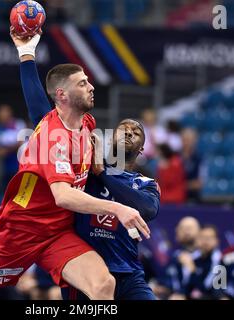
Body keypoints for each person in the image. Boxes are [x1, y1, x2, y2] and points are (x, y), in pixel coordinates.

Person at [0, 31, 150, 300]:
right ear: (62, 95)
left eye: (88, 81)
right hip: (20, 233)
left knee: (103, 285)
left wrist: (27, 53)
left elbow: (35, 104)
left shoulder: (86, 123)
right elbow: (63, 195)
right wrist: (118, 208)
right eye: (82, 83)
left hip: (57, 234)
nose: (91, 86)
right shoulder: (52, 139)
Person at [15, 31, 160, 300]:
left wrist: (104, 173)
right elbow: (42, 119)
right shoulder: (83, 163)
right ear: (110, 135)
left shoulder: (143, 183)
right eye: (123, 128)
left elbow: (147, 209)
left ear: (141, 150)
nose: (128, 132)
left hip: (128, 274)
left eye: (135, 132)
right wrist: (27, 56)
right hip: (84, 268)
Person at [156, 216, 201, 300]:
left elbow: (210, 287)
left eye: (189, 228)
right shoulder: (174, 257)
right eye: (182, 228)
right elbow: (165, 281)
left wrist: (193, 270)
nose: (186, 231)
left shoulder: (207, 256)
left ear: (200, 231)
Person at [0, 104, 26, 199]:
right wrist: (14, 146)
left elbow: (21, 143)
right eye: (1, 113)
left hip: (19, 167)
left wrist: (6, 149)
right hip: (3, 168)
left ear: (10, 113)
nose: (4, 115)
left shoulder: (18, 124)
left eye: (6, 112)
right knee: (3, 195)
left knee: (19, 195)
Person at [183, 225, 222, 300]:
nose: (205, 241)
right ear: (197, 240)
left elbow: (207, 287)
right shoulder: (192, 258)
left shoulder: (220, 260)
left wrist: (193, 271)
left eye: (209, 238)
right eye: (202, 238)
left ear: (216, 241)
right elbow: (185, 285)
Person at [180, 128, 204, 203]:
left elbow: (199, 183)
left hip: (193, 198)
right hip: (176, 198)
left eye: (189, 140)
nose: (186, 143)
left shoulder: (199, 159)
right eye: (184, 140)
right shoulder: (175, 157)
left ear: (194, 141)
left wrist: (180, 186)